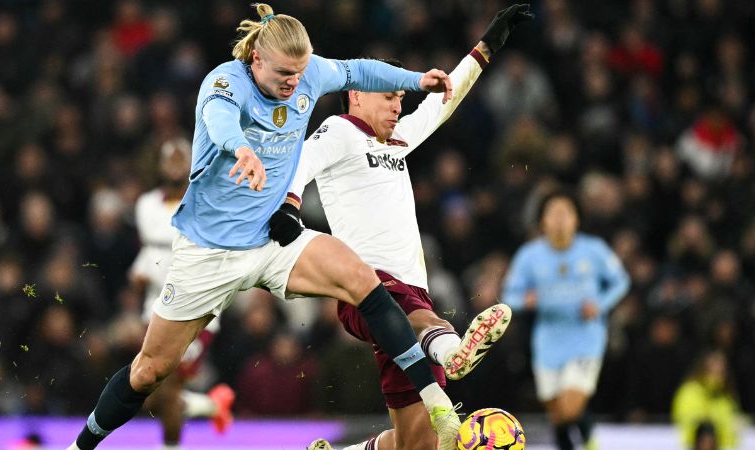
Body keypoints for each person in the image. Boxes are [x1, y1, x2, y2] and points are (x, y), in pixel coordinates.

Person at [67, 4, 462, 449]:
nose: (294, 83)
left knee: (361, 279)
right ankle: (78, 446)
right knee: (150, 370)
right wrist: (241, 149)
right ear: (255, 59)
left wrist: (414, 80)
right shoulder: (223, 81)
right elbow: (218, 119)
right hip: (209, 251)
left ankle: (435, 401)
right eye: (283, 74)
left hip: (271, 240)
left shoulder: (306, 73)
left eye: (299, 73)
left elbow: (355, 71)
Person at [268, 5, 535, 450]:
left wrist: (484, 49)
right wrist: (291, 205)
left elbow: (442, 104)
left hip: (414, 295)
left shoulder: (398, 141)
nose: (397, 104)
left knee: (419, 443)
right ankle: (454, 352)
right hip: (367, 287)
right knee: (417, 321)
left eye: (400, 99)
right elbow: (301, 162)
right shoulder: (340, 129)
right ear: (356, 93)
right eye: (390, 95)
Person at [128, 137, 235, 449]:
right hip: (155, 307)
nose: (175, 165)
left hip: (197, 308)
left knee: (169, 384)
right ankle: (211, 406)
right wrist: (139, 275)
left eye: (180, 159)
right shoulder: (145, 205)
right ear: (160, 165)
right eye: (169, 159)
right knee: (150, 393)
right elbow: (149, 252)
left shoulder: (205, 200)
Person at [502, 191, 630, 450]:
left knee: (570, 408)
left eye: (566, 212)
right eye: (553, 213)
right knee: (558, 416)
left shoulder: (593, 250)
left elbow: (621, 281)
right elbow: (508, 296)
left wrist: (600, 305)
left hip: (585, 337)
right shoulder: (529, 256)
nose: (560, 219)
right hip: (548, 341)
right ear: (543, 221)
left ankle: (593, 442)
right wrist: (525, 300)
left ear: (576, 220)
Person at [672, 350, 741, 450]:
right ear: (703, 368)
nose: (718, 373)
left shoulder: (727, 396)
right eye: (713, 368)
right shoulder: (690, 391)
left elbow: (732, 424)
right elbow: (686, 422)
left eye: (721, 370)